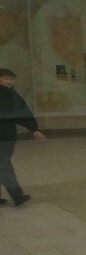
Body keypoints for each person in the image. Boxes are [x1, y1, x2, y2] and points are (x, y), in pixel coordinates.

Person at [0, 68, 44, 206]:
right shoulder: (10, 95)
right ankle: (17, 196)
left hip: (6, 136)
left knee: (2, 164)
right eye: (6, 78)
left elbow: (22, 112)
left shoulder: (13, 95)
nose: (9, 81)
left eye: (11, 79)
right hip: (5, 137)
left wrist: (34, 129)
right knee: (3, 165)